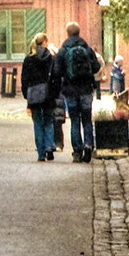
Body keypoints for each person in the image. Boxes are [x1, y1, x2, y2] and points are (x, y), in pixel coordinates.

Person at [57, 22, 103, 162]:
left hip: (70, 90)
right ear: (79, 32)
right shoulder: (87, 49)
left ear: (68, 33)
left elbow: (57, 71)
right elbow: (96, 68)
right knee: (87, 119)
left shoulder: (63, 50)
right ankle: (88, 145)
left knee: (75, 120)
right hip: (86, 90)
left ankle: (77, 151)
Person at [22, 32, 60, 161]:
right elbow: (56, 77)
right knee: (49, 121)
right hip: (48, 94)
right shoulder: (51, 58)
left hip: (34, 95)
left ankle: (41, 153)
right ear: (45, 42)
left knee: (37, 123)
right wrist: (55, 94)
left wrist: (26, 95)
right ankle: (49, 146)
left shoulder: (28, 59)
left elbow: (24, 79)